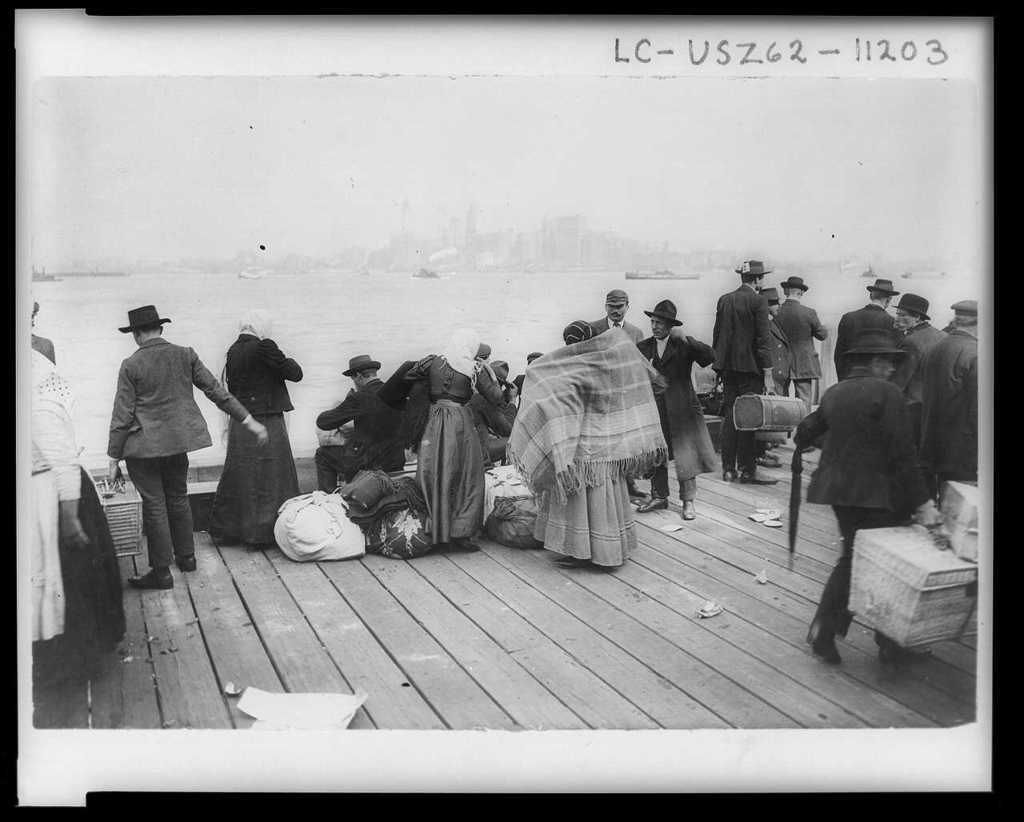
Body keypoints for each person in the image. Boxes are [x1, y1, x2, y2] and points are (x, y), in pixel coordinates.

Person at [795, 329, 941, 665]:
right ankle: (886, 642)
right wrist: (925, 504)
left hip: (837, 492)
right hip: (876, 495)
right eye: (888, 362)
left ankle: (828, 631)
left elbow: (806, 431)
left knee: (854, 556)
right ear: (874, 362)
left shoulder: (834, 392)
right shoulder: (889, 394)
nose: (891, 369)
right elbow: (903, 455)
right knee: (884, 563)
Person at [107, 305, 268, 590]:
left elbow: (122, 416)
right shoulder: (185, 354)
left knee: (155, 506)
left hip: (143, 449)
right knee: (178, 497)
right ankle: (187, 558)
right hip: (178, 443)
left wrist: (113, 458)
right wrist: (248, 420)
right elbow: (216, 391)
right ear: (161, 328)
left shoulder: (130, 365)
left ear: (135, 335)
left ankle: (161, 572)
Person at [509, 320, 668, 568]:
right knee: (605, 499)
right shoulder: (609, 362)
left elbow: (557, 398)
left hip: (585, 448)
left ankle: (585, 553)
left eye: (572, 344)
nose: (570, 350)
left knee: (583, 503)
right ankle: (608, 550)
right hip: (609, 443)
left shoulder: (575, 368)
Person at [31, 349, 125, 726]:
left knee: (65, 580)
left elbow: (63, 458)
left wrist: (70, 518)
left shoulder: (37, 390)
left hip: (52, 496)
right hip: (40, 491)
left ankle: (66, 662)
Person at [403, 329, 508, 551]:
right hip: (459, 421)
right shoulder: (475, 368)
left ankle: (434, 529)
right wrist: (490, 372)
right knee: (468, 474)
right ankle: (461, 533)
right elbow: (496, 397)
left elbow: (409, 375)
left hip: (434, 419)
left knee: (433, 470)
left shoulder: (432, 361)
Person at [209, 310, 303, 547]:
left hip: (242, 422)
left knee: (242, 474)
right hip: (268, 420)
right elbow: (295, 374)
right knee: (272, 476)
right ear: (261, 327)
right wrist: (285, 359)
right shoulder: (265, 346)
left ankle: (230, 530)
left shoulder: (232, 351)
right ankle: (266, 533)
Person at [635, 300, 717, 521]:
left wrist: (688, 339)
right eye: (652, 322)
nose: (654, 326)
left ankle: (688, 502)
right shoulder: (644, 347)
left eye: (659, 323)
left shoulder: (683, 344)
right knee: (657, 453)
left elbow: (709, 356)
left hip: (683, 408)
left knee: (686, 455)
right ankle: (659, 496)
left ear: (670, 325)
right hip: (656, 409)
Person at [712, 260, 778, 485]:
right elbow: (763, 341)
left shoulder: (725, 299)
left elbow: (717, 336)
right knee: (748, 419)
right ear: (758, 280)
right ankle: (748, 471)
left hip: (729, 369)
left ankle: (728, 469)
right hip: (751, 370)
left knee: (730, 416)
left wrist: (719, 369)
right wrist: (768, 375)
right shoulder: (759, 301)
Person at [315, 354, 407, 492]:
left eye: (352, 378)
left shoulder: (359, 397)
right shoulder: (395, 393)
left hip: (368, 465)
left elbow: (323, 422)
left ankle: (329, 498)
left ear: (358, 376)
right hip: (395, 461)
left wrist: (346, 405)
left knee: (322, 454)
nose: (354, 382)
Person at [919, 300, 978, 494]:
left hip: (933, 444)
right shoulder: (976, 353)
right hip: (964, 453)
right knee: (961, 511)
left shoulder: (935, 348)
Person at [890, 294, 946, 448]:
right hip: (936, 405)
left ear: (917, 318)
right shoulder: (943, 336)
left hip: (913, 407)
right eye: (897, 314)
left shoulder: (911, 342)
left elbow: (900, 381)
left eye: (903, 315)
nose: (897, 319)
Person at [775, 276, 828, 410]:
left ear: (786, 291)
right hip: (804, 363)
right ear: (801, 293)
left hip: (781, 362)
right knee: (804, 402)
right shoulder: (809, 312)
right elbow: (822, 335)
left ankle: (783, 430)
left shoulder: (777, 311)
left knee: (781, 402)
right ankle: (803, 430)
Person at [834, 278, 899, 380]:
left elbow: (839, 355)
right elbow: (894, 358)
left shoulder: (848, 318)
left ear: (871, 295)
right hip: (880, 382)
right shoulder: (892, 322)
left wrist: (842, 381)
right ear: (889, 299)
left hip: (851, 379)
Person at [755, 287, 792, 468]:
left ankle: (764, 449)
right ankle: (760, 453)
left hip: (778, 377)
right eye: (775, 303)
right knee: (766, 416)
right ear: (767, 305)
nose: (779, 306)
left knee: (771, 415)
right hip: (771, 378)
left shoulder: (772, 322)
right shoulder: (764, 325)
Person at [468, 359, 519, 466]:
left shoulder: (472, 393)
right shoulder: (482, 400)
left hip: (466, 449)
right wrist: (513, 401)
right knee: (517, 441)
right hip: (478, 453)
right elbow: (508, 429)